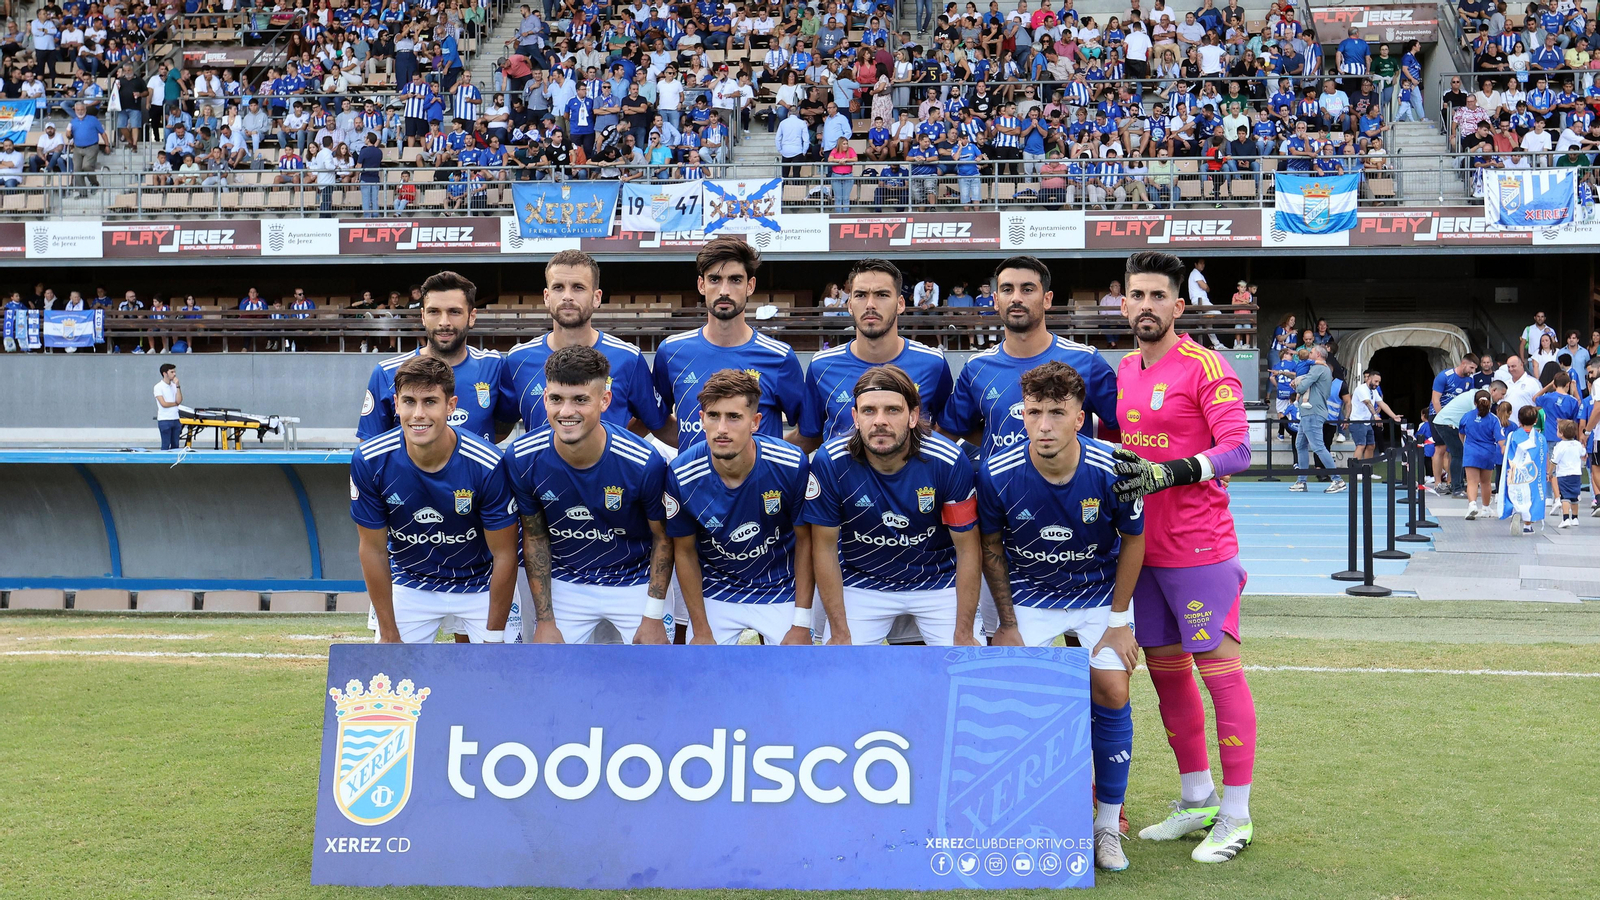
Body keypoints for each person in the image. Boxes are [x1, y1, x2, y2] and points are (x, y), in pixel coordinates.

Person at [1108, 250, 1257, 864]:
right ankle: (1195, 797)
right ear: (1123, 304)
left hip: (1199, 550)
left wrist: (1170, 472)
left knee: (1219, 675)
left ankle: (1237, 815)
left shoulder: (1207, 366)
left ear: (1178, 304)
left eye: (1156, 296)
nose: (1146, 306)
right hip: (1142, 552)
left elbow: (1240, 450)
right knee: (1167, 678)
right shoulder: (1122, 368)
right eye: (1135, 296)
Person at [976, 360, 1144, 872]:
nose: (1044, 425)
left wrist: (1118, 622)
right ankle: (1021, 813)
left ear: (1079, 417)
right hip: (1027, 596)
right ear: (1021, 415)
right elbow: (991, 545)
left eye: (1056, 412)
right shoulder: (997, 472)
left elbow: (1134, 542)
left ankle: (1105, 824)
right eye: (1033, 413)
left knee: (1113, 690)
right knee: (1011, 695)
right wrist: (1006, 623)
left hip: (1098, 597)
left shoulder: (1118, 467)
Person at [502, 345, 674, 644]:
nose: (566, 411)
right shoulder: (521, 457)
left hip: (634, 579)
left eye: (580, 400)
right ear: (545, 399)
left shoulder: (644, 462)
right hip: (566, 579)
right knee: (551, 677)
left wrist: (653, 614)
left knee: (651, 679)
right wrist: (545, 620)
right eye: (556, 399)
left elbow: (662, 538)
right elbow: (535, 537)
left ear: (604, 400)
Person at [802, 365, 981, 646]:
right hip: (862, 582)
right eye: (869, 411)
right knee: (840, 671)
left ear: (913, 416)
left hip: (938, 580)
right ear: (855, 417)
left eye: (892, 410)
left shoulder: (948, 460)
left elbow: (968, 548)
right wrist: (839, 632)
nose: (879, 421)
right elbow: (823, 548)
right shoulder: (831, 461)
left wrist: (964, 632)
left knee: (966, 664)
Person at [350, 356, 518, 644]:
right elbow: (373, 550)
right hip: (411, 580)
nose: (418, 414)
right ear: (396, 403)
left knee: (500, 680)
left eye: (430, 401)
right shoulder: (370, 460)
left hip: (480, 581)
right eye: (409, 402)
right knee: (393, 679)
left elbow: (504, 554)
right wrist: (389, 633)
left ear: (450, 405)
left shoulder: (488, 464)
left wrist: (494, 636)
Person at [664, 370, 815, 645]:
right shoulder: (682, 474)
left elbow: (806, 543)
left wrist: (802, 622)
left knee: (796, 675)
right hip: (716, 589)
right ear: (701, 420)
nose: (722, 428)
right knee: (704, 678)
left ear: (755, 422)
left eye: (734, 417)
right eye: (713, 416)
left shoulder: (791, 464)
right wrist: (701, 629)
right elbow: (683, 552)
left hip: (781, 587)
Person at [651, 238, 805, 451]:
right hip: (695, 484)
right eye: (715, 279)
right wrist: (702, 455)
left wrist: (765, 458)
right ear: (701, 285)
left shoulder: (779, 357)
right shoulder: (671, 352)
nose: (724, 290)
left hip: (759, 484)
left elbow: (809, 432)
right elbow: (657, 422)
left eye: (735, 280)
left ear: (749, 286)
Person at [504, 250, 670, 440]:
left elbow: (650, 420)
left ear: (597, 297)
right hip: (540, 469)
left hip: (609, 470)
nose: (567, 296)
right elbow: (501, 424)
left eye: (578, 287)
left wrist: (613, 446)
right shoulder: (518, 359)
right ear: (546, 296)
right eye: (558, 287)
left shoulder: (628, 358)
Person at [797, 259, 953, 450]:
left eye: (882, 294)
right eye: (861, 295)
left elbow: (945, 430)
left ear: (900, 304)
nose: (870, 304)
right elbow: (809, 438)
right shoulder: (821, 366)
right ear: (850, 305)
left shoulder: (933, 364)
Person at [357, 271, 518, 446]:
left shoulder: (494, 366)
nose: (444, 322)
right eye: (434, 311)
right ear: (423, 316)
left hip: (476, 473)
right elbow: (369, 450)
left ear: (472, 316)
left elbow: (502, 427)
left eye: (454, 312)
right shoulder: (387, 373)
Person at [1287, 345, 1346, 493]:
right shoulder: (1319, 368)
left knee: (1318, 446)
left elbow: (1302, 386)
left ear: (1318, 354)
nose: (1309, 353)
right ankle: (1301, 481)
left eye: (1312, 351)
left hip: (1312, 412)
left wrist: (1297, 386)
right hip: (1309, 412)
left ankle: (1337, 479)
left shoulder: (1318, 369)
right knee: (1300, 444)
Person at [1431, 354, 1479, 495]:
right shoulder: (1444, 376)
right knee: (1440, 448)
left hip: (1457, 418)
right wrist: (1443, 418)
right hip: (1439, 415)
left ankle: (1452, 482)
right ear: (1463, 363)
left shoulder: (1470, 380)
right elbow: (1435, 399)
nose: (1472, 371)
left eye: (1475, 369)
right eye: (1471, 367)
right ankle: (1437, 482)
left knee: (1455, 450)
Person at [1499, 404, 1549, 535]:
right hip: (1532, 474)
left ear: (1519, 420)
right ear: (1536, 421)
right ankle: (1528, 525)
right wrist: (1547, 472)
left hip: (1516, 472)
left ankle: (1516, 511)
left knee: (1516, 493)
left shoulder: (1513, 435)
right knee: (1532, 497)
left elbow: (1505, 451)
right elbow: (1544, 456)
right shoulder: (1540, 439)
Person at [1349, 369, 1403, 462]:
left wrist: (1394, 416)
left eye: (1379, 382)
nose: (1377, 384)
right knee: (1361, 445)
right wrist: (1375, 415)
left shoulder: (1373, 391)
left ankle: (1367, 469)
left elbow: (1382, 404)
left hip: (1367, 422)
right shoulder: (1361, 388)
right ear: (1369, 379)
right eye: (1376, 381)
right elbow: (1367, 402)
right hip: (1358, 422)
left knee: (1371, 445)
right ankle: (1356, 471)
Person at [1549, 419, 1586, 527]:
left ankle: (1565, 518)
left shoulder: (1559, 446)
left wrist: (1549, 472)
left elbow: (1554, 461)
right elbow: (1583, 453)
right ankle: (1575, 518)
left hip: (1564, 475)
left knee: (1564, 497)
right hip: (1576, 474)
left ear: (1561, 433)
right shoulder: (1577, 444)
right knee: (1574, 497)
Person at [154, 363, 183, 450]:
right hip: (164, 419)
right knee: (165, 444)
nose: (174, 374)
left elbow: (179, 400)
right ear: (165, 373)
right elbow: (164, 404)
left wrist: (178, 386)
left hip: (175, 418)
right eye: (172, 372)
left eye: (174, 372)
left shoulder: (174, 386)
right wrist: (175, 403)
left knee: (175, 445)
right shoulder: (158, 387)